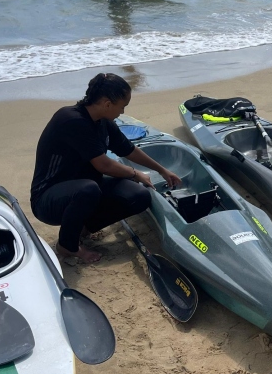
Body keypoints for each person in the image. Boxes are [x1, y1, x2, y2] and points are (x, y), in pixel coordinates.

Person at [30, 73, 181, 262]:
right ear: (107, 104)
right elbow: (104, 165)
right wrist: (135, 173)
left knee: (139, 196)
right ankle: (67, 246)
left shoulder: (103, 122)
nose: (123, 112)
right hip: (48, 199)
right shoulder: (71, 120)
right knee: (88, 189)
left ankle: (82, 228)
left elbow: (128, 150)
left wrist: (162, 170)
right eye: (122, 106)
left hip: (85, 189)